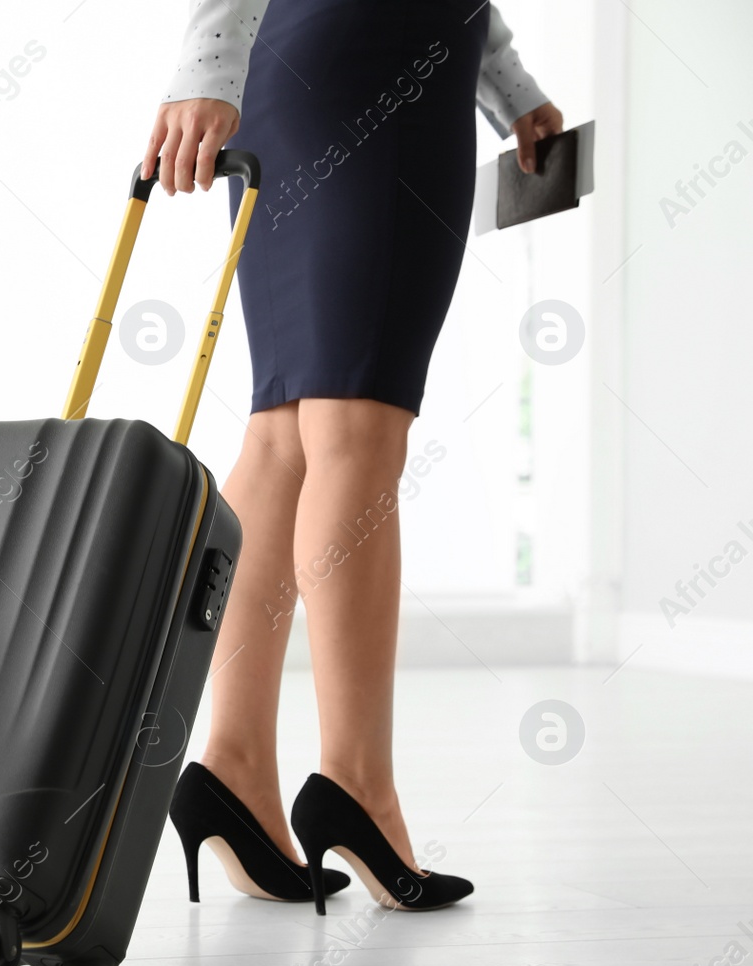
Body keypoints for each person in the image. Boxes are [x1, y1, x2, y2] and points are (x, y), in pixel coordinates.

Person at [154, 0, 562, 913]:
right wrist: (203, 65)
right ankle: (356, 784)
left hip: (295, 69)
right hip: (386, 60)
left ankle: (236, 762)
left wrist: (511, 87)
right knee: (355, 427)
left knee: (284, 428)